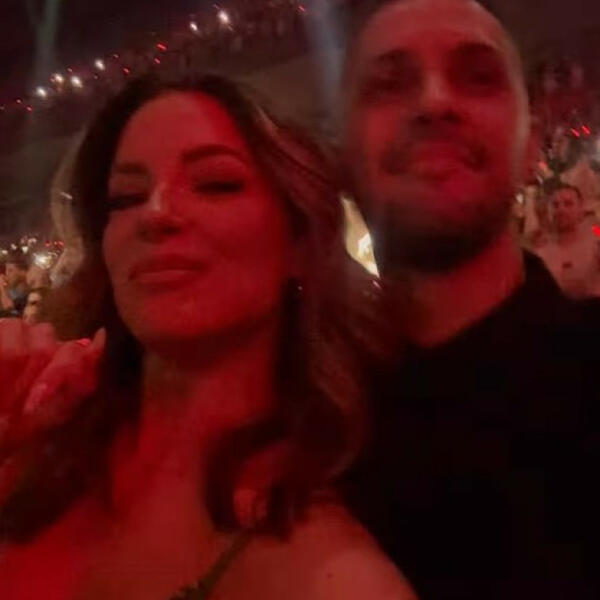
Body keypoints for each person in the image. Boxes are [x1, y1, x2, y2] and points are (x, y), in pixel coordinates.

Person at [0, 73, 415, 600]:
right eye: (126, 197)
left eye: (216, 184)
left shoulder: (336, 579)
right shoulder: (35, 446)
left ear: (300, 242)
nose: (155, 214)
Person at [340, 1, 599, 598]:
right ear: (343, 160)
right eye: (390, 84)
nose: (435, 102)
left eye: (478, 78)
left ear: (531, 147)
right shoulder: (303, 423)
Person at [537, 183, 600, 298]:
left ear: (581, 209)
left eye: (568, 204)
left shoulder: (595, 240)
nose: (561, 210)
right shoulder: (541, 251)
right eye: (555, 205)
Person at [0, 253, 29, 318]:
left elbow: (9, 308)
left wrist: (1, 287)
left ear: (23, 272)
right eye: (6, 270)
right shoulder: (9, 291)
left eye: (10, 270)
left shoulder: (29, 294)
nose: (7, 274)